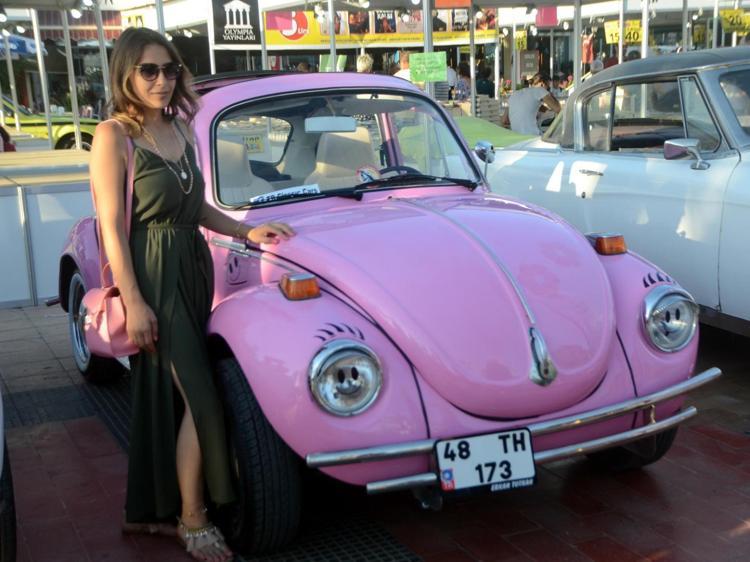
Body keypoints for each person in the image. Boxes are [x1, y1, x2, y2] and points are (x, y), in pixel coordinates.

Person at [89, 27, 294, 561]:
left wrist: (245, 230)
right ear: (126, 73)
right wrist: (135, 301)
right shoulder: (113, 135)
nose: (161, 80)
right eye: (148, 70)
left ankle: (150, 510)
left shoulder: (179, 126)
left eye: (170, 69)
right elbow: (111, 227)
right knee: (202, 395)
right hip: (152, 272)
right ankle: (193, 517)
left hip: (191, 265)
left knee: (170, 395)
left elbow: (194, 205)